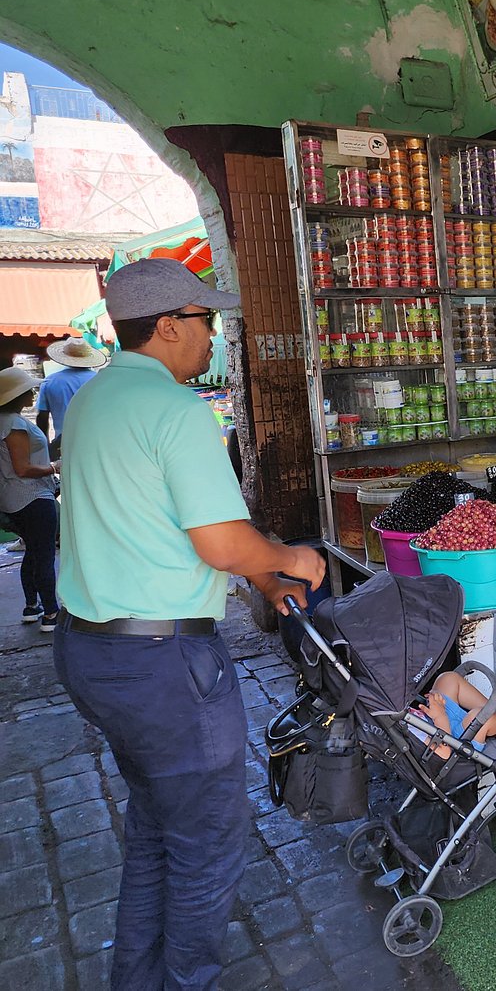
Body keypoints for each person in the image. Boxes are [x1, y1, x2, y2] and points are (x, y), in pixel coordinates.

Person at [52, 257, 326, 991]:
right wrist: (292, 558)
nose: (214, 336)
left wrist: (263, 580)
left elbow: (155, 527)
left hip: (91, 652)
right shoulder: (175, 411)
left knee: (155, 832)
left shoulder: (93, 400)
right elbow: (221, 542)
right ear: (169, 326)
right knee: (206, 843)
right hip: (163, 667)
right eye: (206, 321)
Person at [0, 366, 60, 629]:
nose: (33, 392)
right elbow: (22, 468)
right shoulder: (13, 424)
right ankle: (50, 612)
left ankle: (31, 606)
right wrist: (54, 467)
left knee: (33, 553)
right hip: (33, 496)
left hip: (15, 498)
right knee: (43, 554)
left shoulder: (6, 420)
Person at [409, 677, 496, 757]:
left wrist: (434, 702)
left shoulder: (393, 713)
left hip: (434, 721)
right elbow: (444, 753)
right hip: (456, 742)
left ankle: (494, 708)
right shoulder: (404, 730)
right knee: (480, 716)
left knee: (447, 680)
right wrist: (439, 715)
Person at [37, 335, 108, 459]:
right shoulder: (100, 380)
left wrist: (46, 447)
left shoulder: (50, 381)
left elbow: (42, 418)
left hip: (64, 442)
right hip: (96, 442)